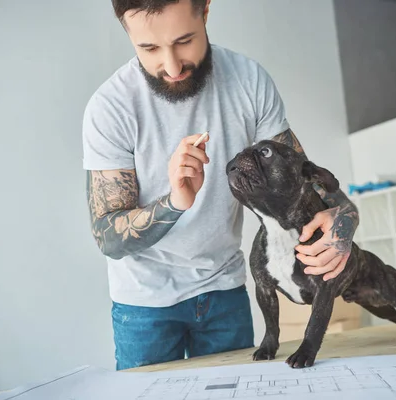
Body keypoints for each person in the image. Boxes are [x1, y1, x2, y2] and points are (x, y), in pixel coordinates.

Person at [82, 0, 360, 371]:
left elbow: (303, 177)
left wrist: (345, 220)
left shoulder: (248, 81)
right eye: (148, 48)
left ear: (206, 11)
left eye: (184, 40)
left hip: (225, 291)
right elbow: (106, 237)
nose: (172, 65)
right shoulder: (110, 108)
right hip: (144, 305)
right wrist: (174, 202)